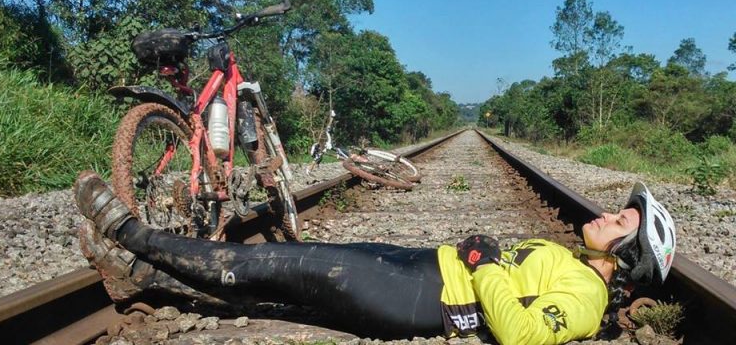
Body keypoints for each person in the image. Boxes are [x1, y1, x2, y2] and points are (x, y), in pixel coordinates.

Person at [74, 171, 676, 344]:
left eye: (620, 220)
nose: (605, 215)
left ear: (629, 253)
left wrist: (485, 261)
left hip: (417, 299)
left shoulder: (589, 299)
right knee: (285, 287)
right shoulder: (570, 259)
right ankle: (144, 279)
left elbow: (519, 333)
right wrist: (477, 254)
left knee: (282, 268)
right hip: (416, 264)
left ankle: (132, 236)